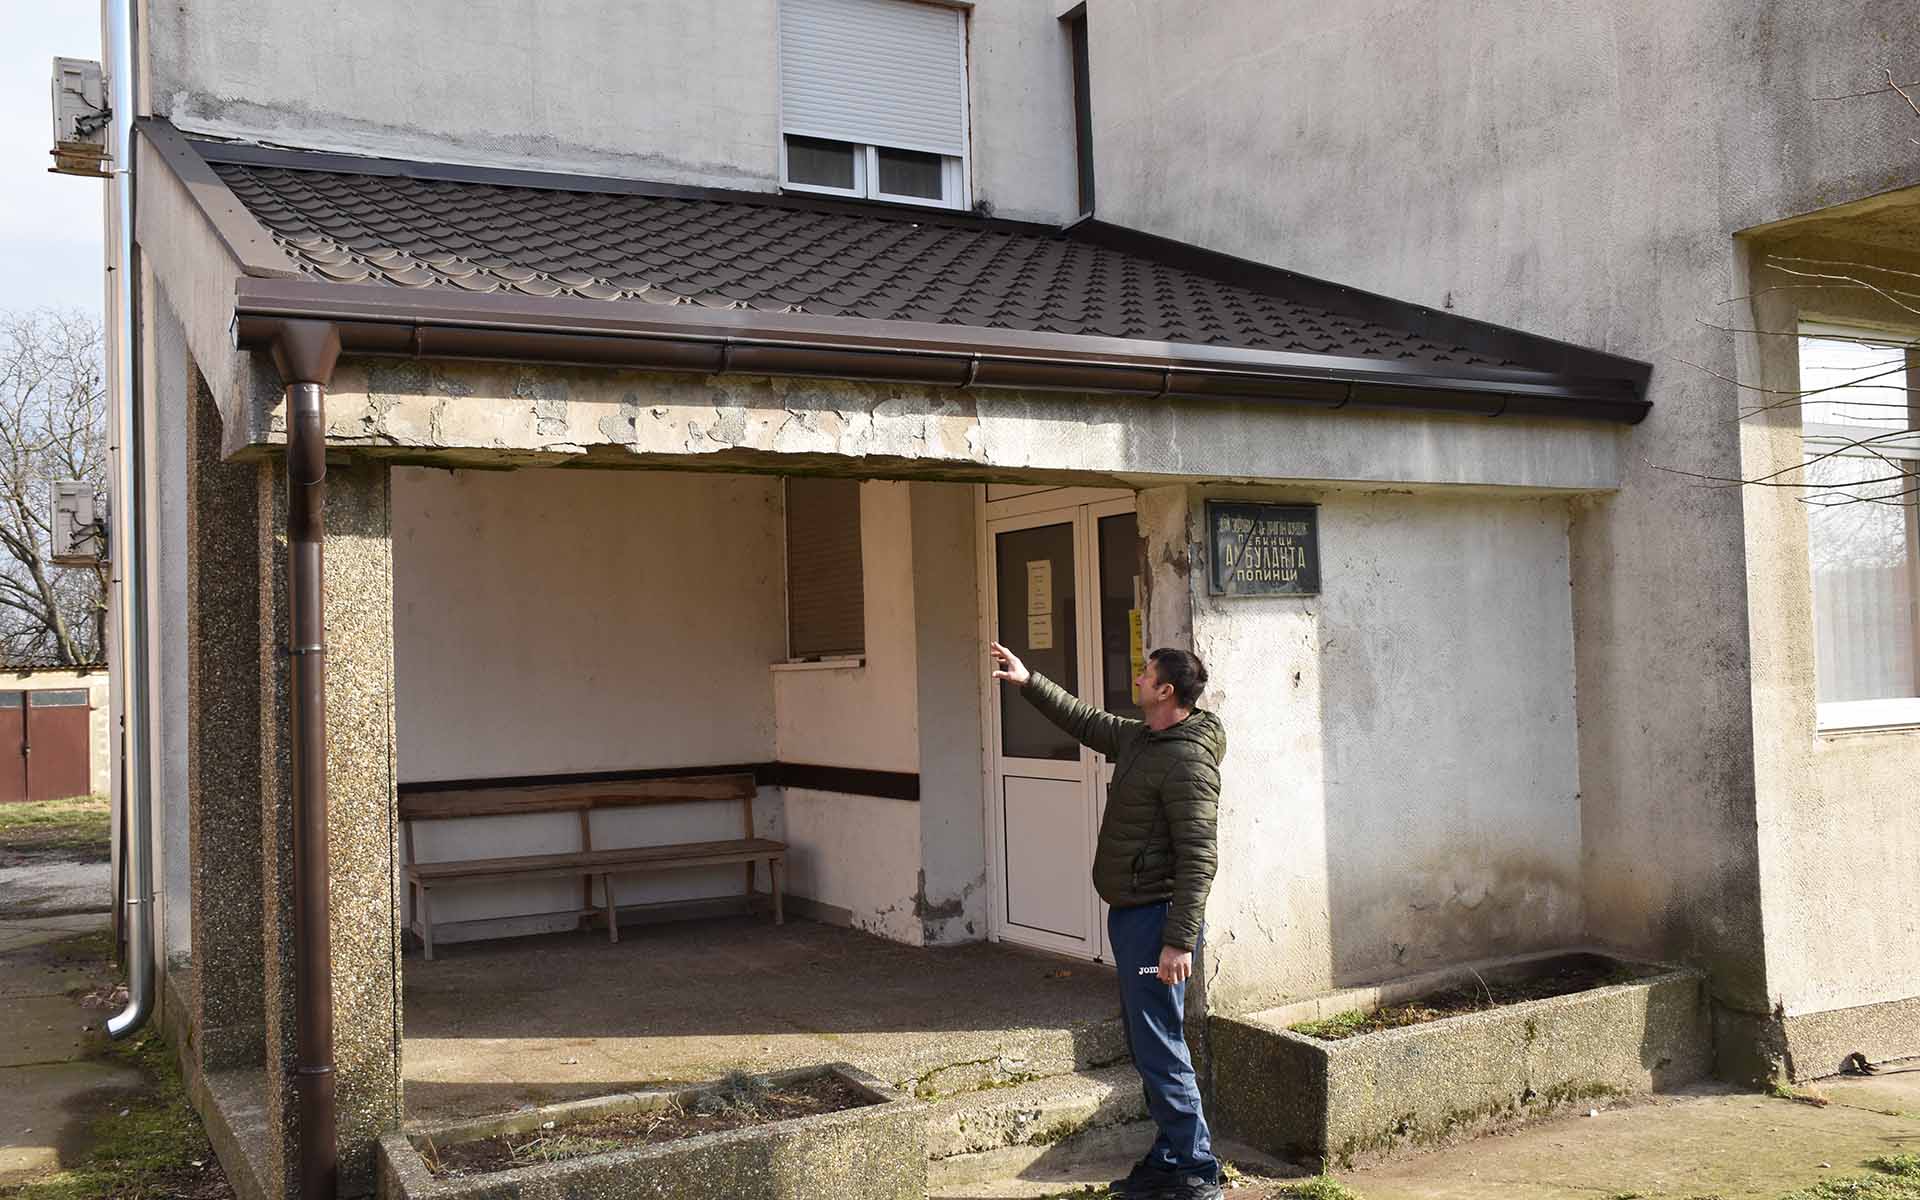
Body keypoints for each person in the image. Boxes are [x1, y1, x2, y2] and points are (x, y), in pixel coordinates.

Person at [989, 640, 1225, 1200]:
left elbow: (1199, 857)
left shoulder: (1188, 761)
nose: (1137, 678)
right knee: (1147, 1042)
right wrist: (1029, 681)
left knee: (1160, 1044)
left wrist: (1177, 942)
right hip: (1134, 916)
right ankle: (1171, 1157)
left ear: (1166, 691)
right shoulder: (1142, 738)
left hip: (1158, 922)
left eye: (1146, 674)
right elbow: (1086, 721)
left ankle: (1195, 1169)